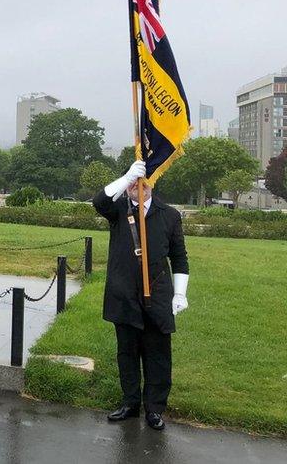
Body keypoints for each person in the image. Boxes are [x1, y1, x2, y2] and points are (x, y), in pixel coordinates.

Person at [93, 160, 189, 431]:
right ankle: (130, 402)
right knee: (127, 352)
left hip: (157, 295)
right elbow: (99, 201)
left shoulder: (169, 215)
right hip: (124, 293)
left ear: (152, 183)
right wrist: (126, 177)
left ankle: (155, 408)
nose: (139, 187)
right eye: (134, 184)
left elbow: (179, 258)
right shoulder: (118, 211)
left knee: (158, 354)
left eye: (143, 182)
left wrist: (180, 293)